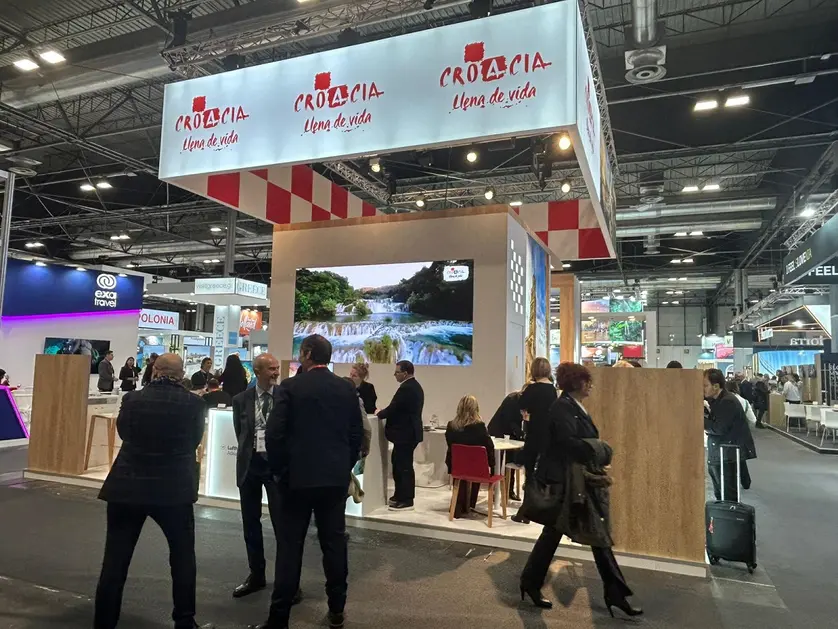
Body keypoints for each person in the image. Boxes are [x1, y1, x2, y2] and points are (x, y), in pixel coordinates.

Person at [249, 334, 363, 629]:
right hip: (333, 481)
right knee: (334, 544)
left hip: (296, 481)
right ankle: (336, 610)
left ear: (309, 353)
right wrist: (344, 466)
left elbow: (274, 434)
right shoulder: (346, 388)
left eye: (302, 351)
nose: (300, 354)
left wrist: (279, 471)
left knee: (290, 548)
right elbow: (356, 435)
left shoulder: (290, 387)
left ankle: (279, 618)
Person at [94, 354, 212, 629]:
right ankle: (184, 621)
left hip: (128, 486)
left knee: (115, 561)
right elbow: (194, 440)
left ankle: (104, 622)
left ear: (155, 371)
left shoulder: (132, 399)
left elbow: (124, 433)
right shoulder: (194, 404)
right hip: (174, 489)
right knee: (182, 558)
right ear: (181, 375)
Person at [519, 362, 641, 618]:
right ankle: (614, 593)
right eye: (587, 381)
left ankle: (531, 582)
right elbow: (567, 442)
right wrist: (599, 448)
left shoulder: (572, 406)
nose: (591, 385)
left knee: (567, 535)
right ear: (576, 383)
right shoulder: (563, 407)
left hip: (575, 481)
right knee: (593, 535)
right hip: (568, 483)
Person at [231, 353, 291, 601]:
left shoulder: (286, 397)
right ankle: (256, 575)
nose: (276, 372)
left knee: (283, 527)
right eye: (271, 369)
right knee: (250, 525)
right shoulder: (241, 399)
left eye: (277, 368)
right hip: (250, 468)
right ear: (257, 372)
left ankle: (288, 582)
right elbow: (240, 433)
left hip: (277, 469)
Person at [513, 357, 557, 524]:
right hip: (548, 437)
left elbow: (521, 404)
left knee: (530, 475)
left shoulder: (532, 388)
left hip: (534, 435)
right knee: (540, 475)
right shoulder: (552, 390)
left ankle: (525, 511)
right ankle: (532, 510)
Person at [376, 360, 425, 511]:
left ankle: (406, 499)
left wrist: (380, 414)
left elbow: (394, 408)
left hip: (405, 434)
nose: (395, 375)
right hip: (408, 434)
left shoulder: (407, 388)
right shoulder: (414, 386)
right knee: (400, 464)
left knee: (403, 467)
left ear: (405, 373)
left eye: (397, 372)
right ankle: (400, 495)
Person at [704, 368, 754, 502]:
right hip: (720, 453)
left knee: (727, 496)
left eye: (705, 385)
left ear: (716, 386)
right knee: (721, 495)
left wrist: (700, 419)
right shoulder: (718, 400)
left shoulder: (727, 401)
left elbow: (719, 428)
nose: (703, 389)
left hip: (726, 454)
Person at [445, 395, 495, 519]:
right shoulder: (480, 427)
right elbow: (489, 446)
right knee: (476, 466)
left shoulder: (451, 426)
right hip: (477, 468)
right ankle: (471, 503)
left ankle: (458, 506)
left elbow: (450, 445)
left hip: (456, 466)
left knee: (463, 470)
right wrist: (492, 465)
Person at [487, 390, 525, 500]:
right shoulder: (512, 399)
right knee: (497, 462)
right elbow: (510, 421)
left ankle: (509, 490)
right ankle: (495, 491)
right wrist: (522, 434)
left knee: (510, 459)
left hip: (509, 433)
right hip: (497, 431)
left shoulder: (522, 401)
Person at [726, 380, 758, 490]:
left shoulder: (723, 400)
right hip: (741, 434)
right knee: (740, 458)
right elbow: (753, 420)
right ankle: (746, 482)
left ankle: (730, 483)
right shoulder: (744, 401)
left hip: (726, 434)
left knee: (727, 459)